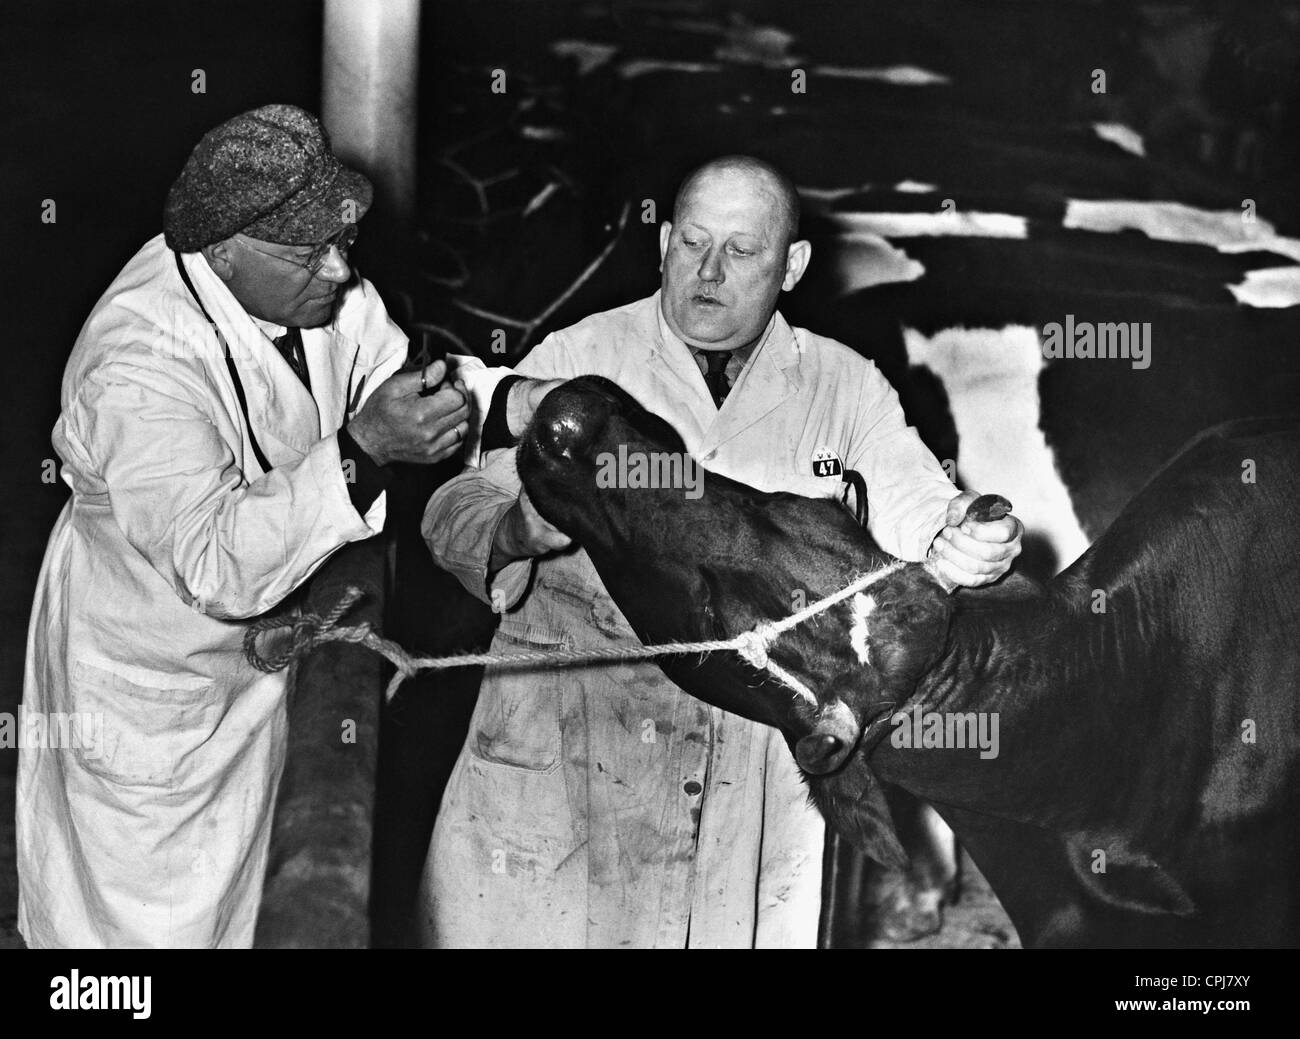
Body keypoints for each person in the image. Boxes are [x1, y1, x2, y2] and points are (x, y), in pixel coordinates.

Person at [420, 155, 1023, 948]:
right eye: (692, 243)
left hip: (750, 781)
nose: (708, 272)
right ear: (663, 241)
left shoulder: (843, 384)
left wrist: (967, 531)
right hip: (570, 756)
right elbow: (449, 508)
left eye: (741, 252)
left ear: (792, 266)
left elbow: (915, 502)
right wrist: (511, 533)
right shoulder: (579, 354)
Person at [17, 104, 478, 948]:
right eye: (311, 254)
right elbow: (212, 558)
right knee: (140, 934)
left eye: (343, 243)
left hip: (259, 665)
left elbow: (389, 365)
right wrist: (366, 448)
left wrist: (503, 399)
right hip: (154, 672)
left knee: (256, 897)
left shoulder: (308, 287)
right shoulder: (140, 360)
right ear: (221, 251)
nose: (341, 271)